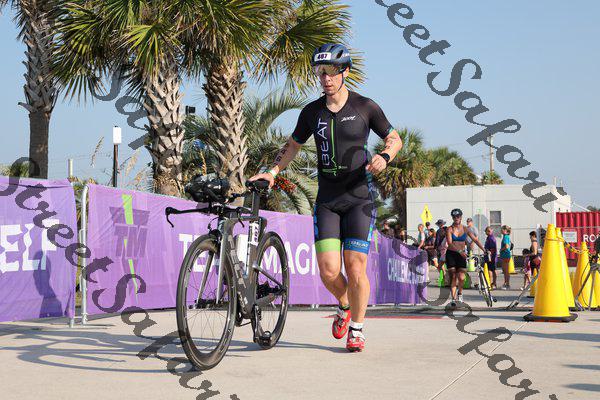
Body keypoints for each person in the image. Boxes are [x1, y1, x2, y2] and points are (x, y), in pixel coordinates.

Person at [249, 43, 402, 352]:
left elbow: (394, 138)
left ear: (345, 71)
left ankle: (356, 329)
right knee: (329, 271)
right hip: (328, 200)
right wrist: (272, 171)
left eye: (332, 71)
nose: (326, 78)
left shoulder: (365, 107)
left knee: (355, 266)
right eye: (321, 72)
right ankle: (345, 304)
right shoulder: (311, 112)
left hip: (359, 199)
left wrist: (385, 157)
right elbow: (293, 145)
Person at [445, 209, 487, 306]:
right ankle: (454, 299)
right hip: (451, 254)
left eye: (458, 216)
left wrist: (484, 250)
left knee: (461, 277)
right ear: (452, 218)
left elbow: (475, 239)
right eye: (454, 217)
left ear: (461, 217)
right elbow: (450, 243)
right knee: (453, 277)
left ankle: (460, 293)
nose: (456, 218)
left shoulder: (465, 229)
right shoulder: (449, 229)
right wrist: (460, 251)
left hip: (461, 256)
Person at [499, 225, 512, 290]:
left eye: (502, 229)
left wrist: (501, 249)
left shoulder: (506, 237)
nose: (501, 230)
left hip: (505, 255)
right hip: (505, 255)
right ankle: (506, 283)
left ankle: (507, 284)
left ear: (505, 230)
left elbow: (506, 246)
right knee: (505, 270)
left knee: (506, 270)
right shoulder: (505, 237)